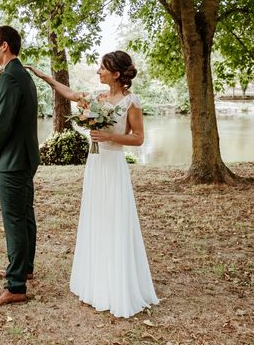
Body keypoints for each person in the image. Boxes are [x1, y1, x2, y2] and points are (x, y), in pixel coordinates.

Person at [27, 50, 159, 318]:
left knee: (115, 221)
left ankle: (117, 285)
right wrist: (45, 78)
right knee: (97, 219)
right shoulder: (97, 99)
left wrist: (111, 136)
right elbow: (71, 94)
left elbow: (139, 138)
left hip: (113, 166)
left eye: (103, 67)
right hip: (95, 167)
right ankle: (96, 281)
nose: (98, 71)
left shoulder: (131, 101)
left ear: (117, 73)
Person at [0, 26, 40, 306]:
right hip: (26, 158)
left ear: (5, 46)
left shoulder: (10, 78)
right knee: (25, 216)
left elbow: (1, 124)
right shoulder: (22, 75)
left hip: (13, 161)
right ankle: (24, 268)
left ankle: (15, 285)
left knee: (14, 221)